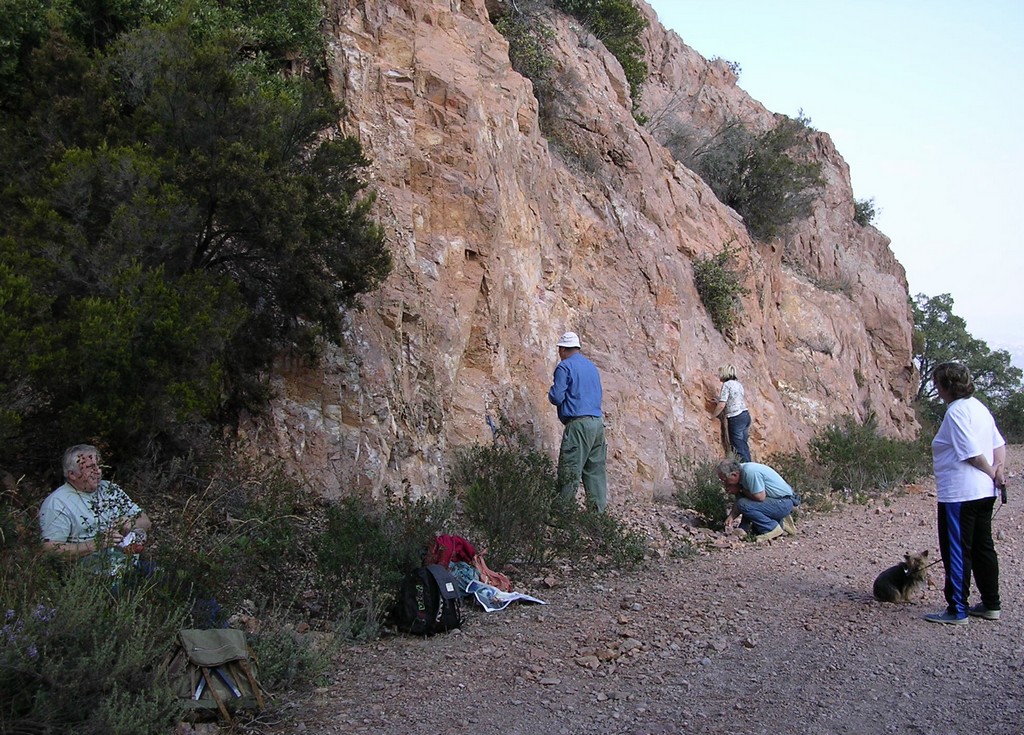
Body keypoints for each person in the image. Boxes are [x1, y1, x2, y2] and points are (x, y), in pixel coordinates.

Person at [924, 362, 1006, 625]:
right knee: (983, 547)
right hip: (984, 493)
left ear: (947, 385)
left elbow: (971, 453)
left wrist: (991, 472)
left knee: (958, 552)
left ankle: (957, 609)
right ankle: (991, 605)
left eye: (937, 384)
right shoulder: (979, 407)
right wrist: (998, 469)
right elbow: (998, 444)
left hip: (960, 493)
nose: (936, 389)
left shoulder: (956, 412)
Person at [39, 444, 152, 574]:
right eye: (90, 467)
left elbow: (146, 522)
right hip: (87, 572)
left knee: (161, 575)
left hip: (127, 562)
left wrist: (131, 522)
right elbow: (49, 549)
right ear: (72, 474)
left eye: (98, 466)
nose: (98, 471)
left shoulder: (110, 489)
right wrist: (96, 544)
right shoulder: (57, 503)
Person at [548, 331, 608, 512]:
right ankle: (598, 517)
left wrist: (551, 393)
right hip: (597, 424)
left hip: (578, 424)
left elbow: (557, 397)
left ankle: (562, 513)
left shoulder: (564, 367)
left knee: (570, 469)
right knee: (595, 472)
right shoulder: (591, 367)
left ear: (563, 349)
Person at [716, 458, 798, 542]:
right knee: (745, 504)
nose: (725, 484)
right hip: (779, 501)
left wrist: (740, 489)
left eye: (725, 480)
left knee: (743, 503)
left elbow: (760, 497)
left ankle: (772, 528)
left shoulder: (750, 473)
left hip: (783, 502)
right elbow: (743, 498)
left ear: (734, 475)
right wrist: (731, 516)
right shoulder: (742, 472)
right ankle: (781, 522)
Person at [711, 365, 752, 462]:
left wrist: (712, 416)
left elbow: (722, 405)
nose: (719, 375)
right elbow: (734, 399)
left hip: (736, 417)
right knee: (743, 445)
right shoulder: (738, 385)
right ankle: (750, 465)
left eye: (720, 373)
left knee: (737, 447)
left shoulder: (727, 385)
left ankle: (744, 467)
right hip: (745, 415)